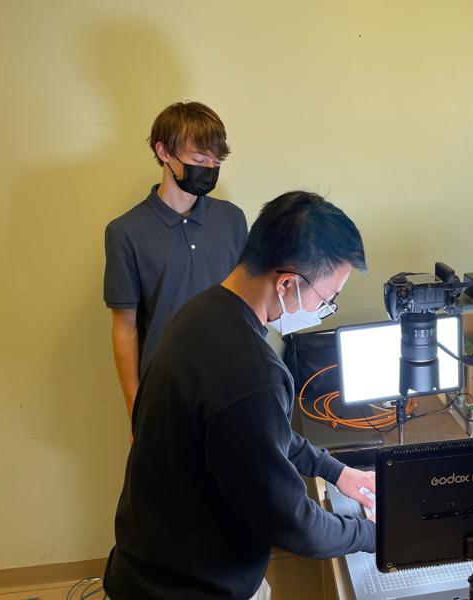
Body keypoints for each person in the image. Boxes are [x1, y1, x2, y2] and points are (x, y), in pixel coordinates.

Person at [103, 191, 376, 600]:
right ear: (286, 283)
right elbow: (294, 526)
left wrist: (337, 472)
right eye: (327, 299)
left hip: (152, 560)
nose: (325, 309)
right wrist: (374, 532)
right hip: (187, 586)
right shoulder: (252, 375)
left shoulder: (204, 310)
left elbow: (261, 436)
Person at [103, 101, 247, 434]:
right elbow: (124, 328)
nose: (209, 168)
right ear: (164, 151)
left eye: (216, 161)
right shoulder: (126, 232)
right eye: (199, 159)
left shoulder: (232, 220)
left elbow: (249, 301)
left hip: (236, 384)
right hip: (168, 394)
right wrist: (136, 411)